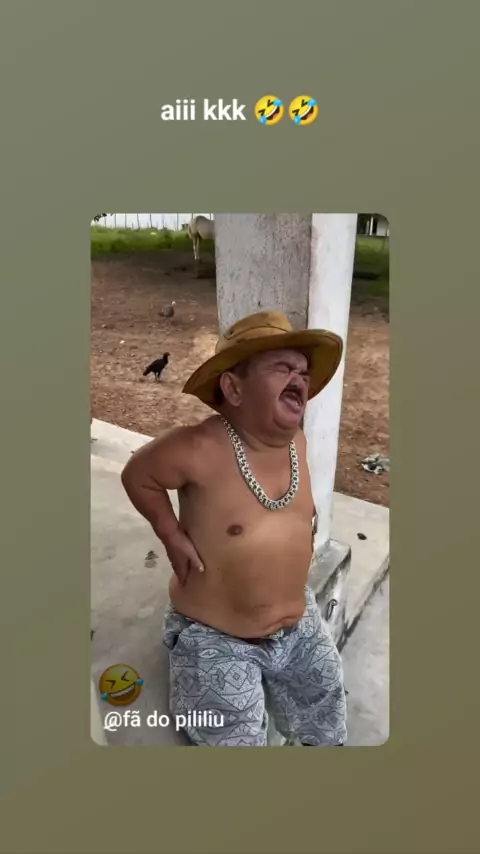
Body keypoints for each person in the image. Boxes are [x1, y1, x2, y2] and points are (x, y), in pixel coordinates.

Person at [121, 310, 347, 746]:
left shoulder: (296, 442)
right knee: (232, 736)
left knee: (325, 698)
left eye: (303, 371)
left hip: (297, 623)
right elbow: (138, 475)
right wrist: (171, 534)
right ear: (234, 388)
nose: (299, 378)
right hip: (217, 634)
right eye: (282, 367)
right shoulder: (199, 447)